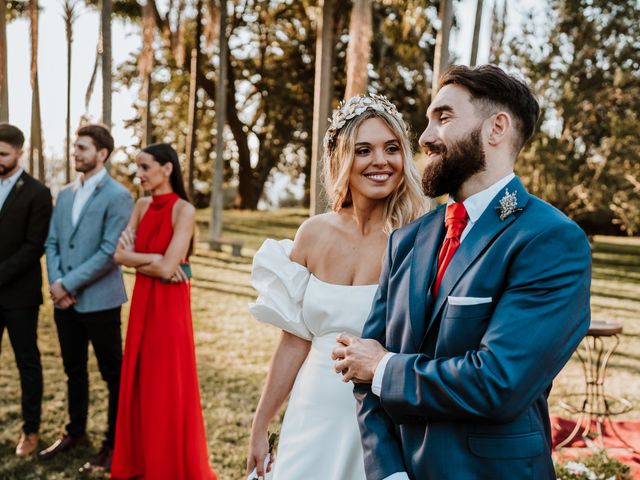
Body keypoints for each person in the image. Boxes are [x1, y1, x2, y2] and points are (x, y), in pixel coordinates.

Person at [332, 64, 592, 480]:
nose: (425, 136)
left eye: (445, 117)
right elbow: (364, 370)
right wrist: (389, 472)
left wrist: (384, 368)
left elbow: (498, 383)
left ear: (496, 128)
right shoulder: (409, 240)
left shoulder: (550, 241)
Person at [246, 94, 427, 480]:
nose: (380, 160)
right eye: (364, 150)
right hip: (311, 408)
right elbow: (294, 341)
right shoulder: (313, 233)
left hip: (380, 417)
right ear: (341, 159)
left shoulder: (419, 238)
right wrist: (261, 425)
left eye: (391, 148)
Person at [110, 143, 217, 480]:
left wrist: (149, 261)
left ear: (166, 168)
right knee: (140, 378)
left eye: (145, 167)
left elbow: (171, 264)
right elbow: (118, 256)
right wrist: (152, 261)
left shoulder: (183, 210)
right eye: (137, 168)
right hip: (144, 300)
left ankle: (168, 465)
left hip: (170, 308)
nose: (138, 174)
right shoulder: (141, 206)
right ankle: (140, 460)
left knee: (167, 382)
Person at [41, 125, 134, 472]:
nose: (75, 153)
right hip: (65, 302)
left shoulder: (119, 196)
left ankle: (113, 443)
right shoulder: (64, 194)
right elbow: (52, 243)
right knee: (73, 370)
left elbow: (111, 251)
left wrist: (69, 284)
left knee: (113, 374)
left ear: (103, 154)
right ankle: (75, 433)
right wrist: (56, 283)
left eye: (83, 148)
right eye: (74, 147)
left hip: (101, 301)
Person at [0, 123, 52, 457]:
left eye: (3, 154)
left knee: (27, 364)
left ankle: (30, 431)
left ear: (19, 152)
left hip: (20, 295)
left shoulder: (37, 192)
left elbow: (35, 246)